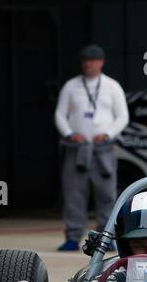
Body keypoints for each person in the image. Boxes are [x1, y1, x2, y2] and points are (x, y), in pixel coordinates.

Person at [54, 44, 129, 251]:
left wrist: (109, 133)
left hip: (103, 148)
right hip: (77, 149)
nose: (89, 64)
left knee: (107, 194)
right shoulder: (71, 86)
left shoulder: (112, 86)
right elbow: (60, 114)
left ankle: (107, 236)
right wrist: (69, 133)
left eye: (93, 61)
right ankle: (72, 236)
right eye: (85, 61)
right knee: (73, 194)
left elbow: (122, 116)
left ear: (101, 62)